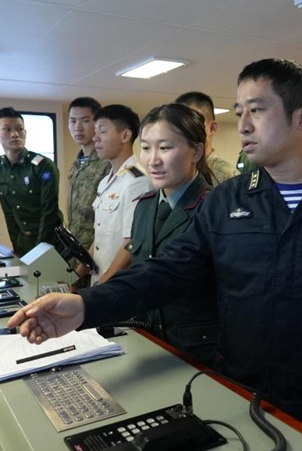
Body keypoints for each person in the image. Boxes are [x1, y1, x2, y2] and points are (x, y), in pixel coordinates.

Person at [8, 58, 302, 449]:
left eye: (257, 110)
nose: (243, 124)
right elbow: (166, 272)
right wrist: (84, 305)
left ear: (301, 117)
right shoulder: (227, 200)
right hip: (241, 398)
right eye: (240, 110)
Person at [127, 103, 217, 365]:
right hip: (148, 342)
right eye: (145, 148)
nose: (153, 159)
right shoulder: (144, 207)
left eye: (165, 148)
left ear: (196, 151)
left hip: (199, 354)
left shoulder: (213, 207)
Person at [75, 104, 152, 284]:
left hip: (117, 285)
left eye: (102, 131)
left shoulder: (137, 181)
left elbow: (131, 242)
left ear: (125, 135)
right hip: (99, 280)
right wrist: (75, 276)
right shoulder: (105, 182)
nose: (95, 138)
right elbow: (101, 235)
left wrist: (104, 285)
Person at [0, 106, 63, 256]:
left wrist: (41, 250)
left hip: (51, 242)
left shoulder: (42, 165)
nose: (15, 134)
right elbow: (8, 212)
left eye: (19, 129)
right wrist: (16, 246)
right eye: (7, 129)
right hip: (24, 242)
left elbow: (49, 212)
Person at [66, 97, 111, 268]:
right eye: (73, 121)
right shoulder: (76, 165)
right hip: (75, 250)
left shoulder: (106, 164)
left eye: (85, 121)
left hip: (97, 255)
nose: (78, 127)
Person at [174, 91, 238, 184]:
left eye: (193, 124)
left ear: (212, 128)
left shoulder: (228, 177)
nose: (185, 131)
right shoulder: (173, 173)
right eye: (179, 125)